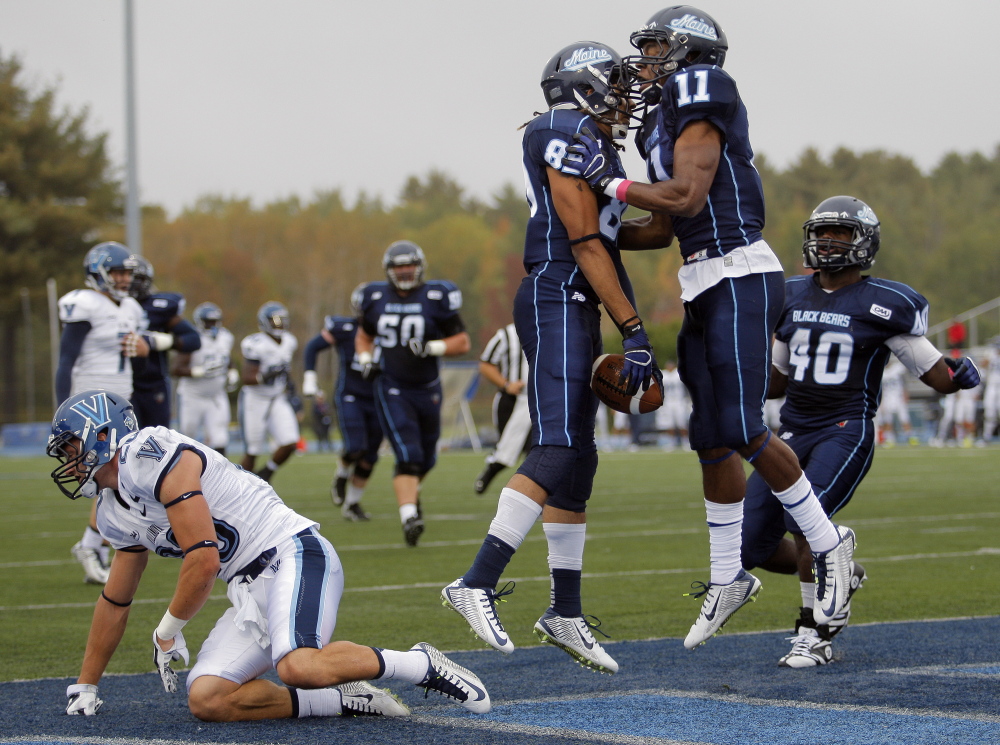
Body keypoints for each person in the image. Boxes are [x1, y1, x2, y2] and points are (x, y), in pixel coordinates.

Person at [564, 6, 856, 647]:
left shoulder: (704, 89)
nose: (643, 61)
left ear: (689, 51)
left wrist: (607, 185)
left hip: (739, 273)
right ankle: (730, 577)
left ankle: (829, 545)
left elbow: (688, 198)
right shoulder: (660, 126)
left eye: (657, 47)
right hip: (701, 278)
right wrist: (591, 235)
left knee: (742, 425)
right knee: (709, 438)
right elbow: (665, 227)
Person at [46, 389, 490, 720]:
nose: (68, 459)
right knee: (208, 697)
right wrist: (86, 684)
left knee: (297, 664)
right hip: (248, 588)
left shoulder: (151, 452)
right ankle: (340, 698)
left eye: (70, 445)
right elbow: (115, 600)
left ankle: (419, 663)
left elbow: (203, 560)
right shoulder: (110, 511)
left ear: (104, 434)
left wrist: (167, 631)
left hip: (292, 551)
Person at [440, 41, 656, 675]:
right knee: (557, 444)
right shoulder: (560, 126)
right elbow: (586, 240)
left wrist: (686, 198)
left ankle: (564, 611)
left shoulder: (596, 142)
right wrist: (636, 329)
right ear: (584, 87)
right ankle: (475, 582)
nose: (624, 95)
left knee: (578, 459)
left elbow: (626, 231)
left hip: (579, 297)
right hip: (559, 289)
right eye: (613, 83)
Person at [741, 195, 981, 667]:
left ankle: (814, 632)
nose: (828, 241)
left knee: (804, 518)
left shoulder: (884, 303)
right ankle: (840, 567)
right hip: (793, 431)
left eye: (842, 233)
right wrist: (735, 366)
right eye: (822, 232)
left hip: (844, 428)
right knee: (750, 543)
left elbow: (932, 373)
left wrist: (960, 374)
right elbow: (777, 381)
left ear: (864, 242)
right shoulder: (789, 295)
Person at [356, 242, 471, 544]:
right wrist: (366, 361)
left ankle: (411, 496)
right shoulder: (375, 297)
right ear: (388, 270)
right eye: (398, 266)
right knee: (408, 454)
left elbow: (461, 342)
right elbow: (364, 336)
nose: (404, 271)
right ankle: (409, 517)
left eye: (409, 265)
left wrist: (431, 347)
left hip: (428, 387)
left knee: (428, 458)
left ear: (419, 266)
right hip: (391, 384)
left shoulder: (436, 296)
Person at [57, 241, 147, 585]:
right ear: (98, 272)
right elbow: (65, 362)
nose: (124, 278)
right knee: (107, 478)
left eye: (127, 272)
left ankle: (95, 546)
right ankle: (93, 546)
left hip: (119, 402)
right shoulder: (86, 304)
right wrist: (60, 406)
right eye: (118, 271)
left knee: (117, 478)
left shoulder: (131, 307)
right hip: (89, 405)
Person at [302, 288, 384, 522]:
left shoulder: (390, 330)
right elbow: (312, 347)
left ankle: (352, 503)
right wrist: (309, 377)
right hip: (352, 395)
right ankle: (341, 474)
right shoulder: (345, 328)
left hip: (381, 398)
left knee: (370, 456)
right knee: (355, 446)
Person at [129, 256, 202, 428]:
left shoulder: (157, 307)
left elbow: (193, 340)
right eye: (125, 276)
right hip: (119, 381)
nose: (130, 283)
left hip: (152, 383)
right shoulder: (107, 307)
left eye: (136, 278)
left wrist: (167, 342)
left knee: (157, 437)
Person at [239, 302, 299, 483]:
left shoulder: (289, 341)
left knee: (290, 442)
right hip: (255, 399)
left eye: (281, 321)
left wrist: (290, 387)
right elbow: (247, 378)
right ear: (264, 322)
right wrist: (265, 376)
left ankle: (266, 473)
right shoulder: (256, 344)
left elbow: (286, 373)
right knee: (253, 450)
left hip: (277, 398)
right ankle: (240, 486)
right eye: (274, 321)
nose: (278, 325)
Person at [172, 302, 239, 454]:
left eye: (214, 321)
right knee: (187, 438)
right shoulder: (193, 338)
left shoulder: (226, 337)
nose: (212, 325)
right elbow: (175, 369)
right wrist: (199, 371)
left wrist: (232, 372)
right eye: (208, 322)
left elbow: (226, 358)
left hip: (216, 395)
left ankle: (219, 476)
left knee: (220, 439)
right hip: (192, 396)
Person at [473, 322, 531, 495]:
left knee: (537, 451)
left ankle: (533, 499)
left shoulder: (553, 330)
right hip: (513, 401)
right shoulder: (506, 334)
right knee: (507, 450)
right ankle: (492, 468)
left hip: (542, 401)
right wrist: (506, 384)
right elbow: (485, 365)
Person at [876, 358, 917, 446]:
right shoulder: (881, 372)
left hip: (899, 397)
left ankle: (910, 437)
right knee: (888, 420)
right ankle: (890, 439)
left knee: (904, 418)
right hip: (887, 398)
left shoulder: (897, 369)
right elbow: (880, 389)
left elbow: (904, 380)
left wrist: (906, 392)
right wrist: (881, 402)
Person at [655, 360, 689, 450]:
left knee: (682, 423)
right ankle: (671, 442)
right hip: (668, 402)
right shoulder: (663, 374)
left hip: (679, 401)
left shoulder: (678, 374)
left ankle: (685, 442)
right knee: (669, 424)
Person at [982, 338, 1000, 443]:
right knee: (989, 412)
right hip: (992, 386)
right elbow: (983, 365)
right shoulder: (991, 354)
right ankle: (986, 436)